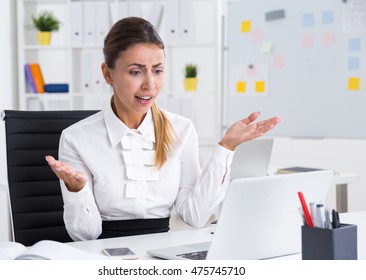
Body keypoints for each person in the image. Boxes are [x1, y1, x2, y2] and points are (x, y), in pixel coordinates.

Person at [45, 17, 280, 241]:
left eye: (157, 70)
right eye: (135, 72)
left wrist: (226, 147)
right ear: (108, 73)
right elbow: (86, 235)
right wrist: (77, 190)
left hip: (161, 252)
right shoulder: (77, 138)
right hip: (104, 254)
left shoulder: (182, 129)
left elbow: (195, 215)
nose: (150, 84)